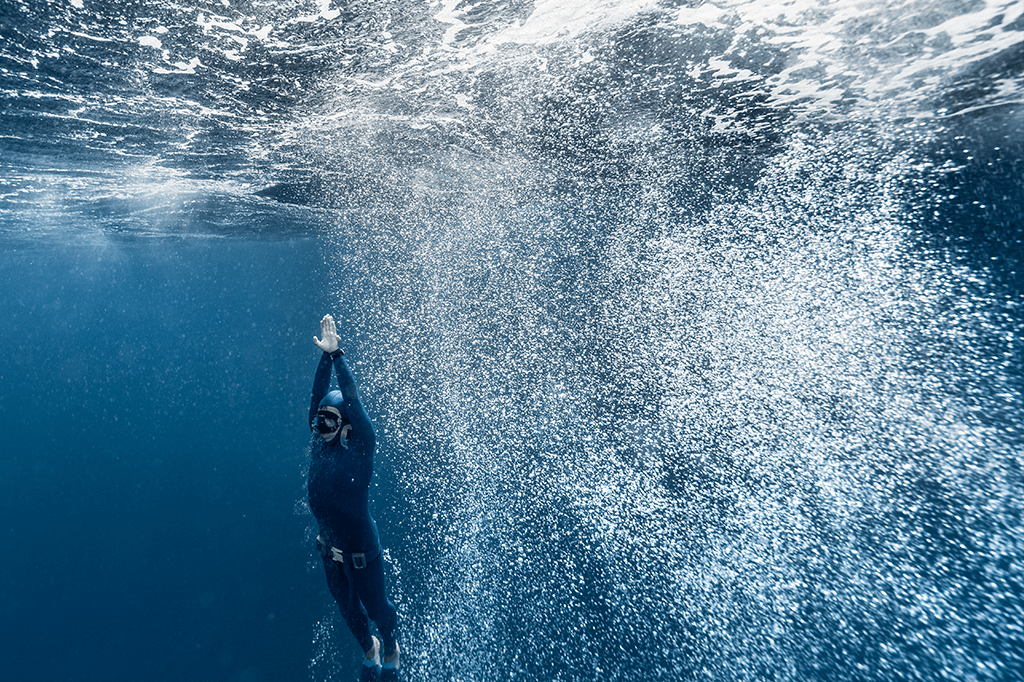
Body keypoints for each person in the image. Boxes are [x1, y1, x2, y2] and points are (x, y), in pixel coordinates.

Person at [308, 314, 400, 680]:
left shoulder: (360, 452)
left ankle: (390, 646)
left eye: (329, 421)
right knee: (349, 613)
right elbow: (317, 397)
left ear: (346, 425)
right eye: (318, 420)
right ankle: (370, 649)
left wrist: (339, 357)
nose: (320, 427)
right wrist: (323, 359)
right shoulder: (318, 443)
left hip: (364, 555)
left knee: (378, 610)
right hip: (329, 552)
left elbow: (355, 405)